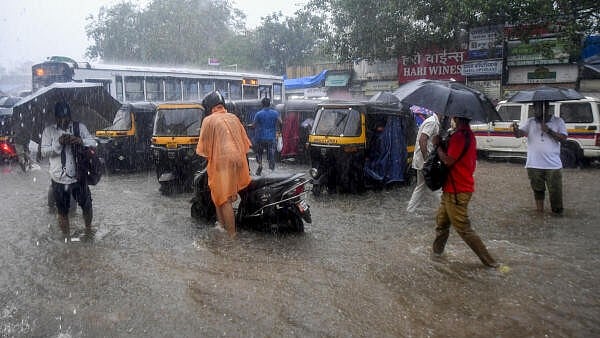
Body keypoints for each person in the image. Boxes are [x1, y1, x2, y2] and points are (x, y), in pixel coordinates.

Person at [432, 116, 499, 268]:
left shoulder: (460, 137)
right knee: (441, 223)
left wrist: (437, 147)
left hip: (457, 191)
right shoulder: (467, 135)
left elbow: (448, 160)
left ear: (456, 117)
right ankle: (436, 255)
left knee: (463, 229)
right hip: (452, 189)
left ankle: (491, 263)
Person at [196, 91, 252, 237]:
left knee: (224, 198)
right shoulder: (233, 117)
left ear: (209, 107)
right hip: (238, 159)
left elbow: (204, 147)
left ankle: (231, 236)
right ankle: (221, 226)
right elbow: (245, 141)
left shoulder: (209, 120)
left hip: (222, 161)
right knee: (218, 195)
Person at [40, 102, 97, 242]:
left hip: (79, 176)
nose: (63, 121)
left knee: (87, 205)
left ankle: (88, 230)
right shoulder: (49, 131)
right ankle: (66, 238)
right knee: (62, 211)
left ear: (70, 116)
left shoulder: (79, 127)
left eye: (66, 117)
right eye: (60, 118)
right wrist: (58, 143)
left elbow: (94, 143)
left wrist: (80, 140)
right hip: (58, 178)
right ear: (56, 117)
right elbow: (43, 152)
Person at [512, 100, 567, 215]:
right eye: (534, 108)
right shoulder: (530, 122)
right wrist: (515, 129)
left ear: (545, 108)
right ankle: (539, 213)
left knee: (555, 191)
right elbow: (519, 135)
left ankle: (557, 213)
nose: (534, 110)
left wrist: (549, 131)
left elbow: (563, 138)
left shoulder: (558, 121)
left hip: (553, 165)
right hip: (534, 164)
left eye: (537, 108)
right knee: (538, 190)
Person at [407, 112, 443, 213]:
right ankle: (446, 212)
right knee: (436, 186)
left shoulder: (432, 121)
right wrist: (427, 159)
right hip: (425, 161)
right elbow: (423, 139)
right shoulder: (432, 122)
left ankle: (410, 210)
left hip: (422, 160)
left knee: (421, 186)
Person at [249, 97, 281, 175]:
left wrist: (249, 126)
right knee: (271, 154)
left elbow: (254, 125)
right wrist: (279, 131)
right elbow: (281, 122)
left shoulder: (259, 114)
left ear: (262, 104)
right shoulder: (275, 113)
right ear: (269, 104)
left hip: (260, 137)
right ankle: (271, 170)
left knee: (259, 153)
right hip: (271, 138)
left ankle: (260, 165)